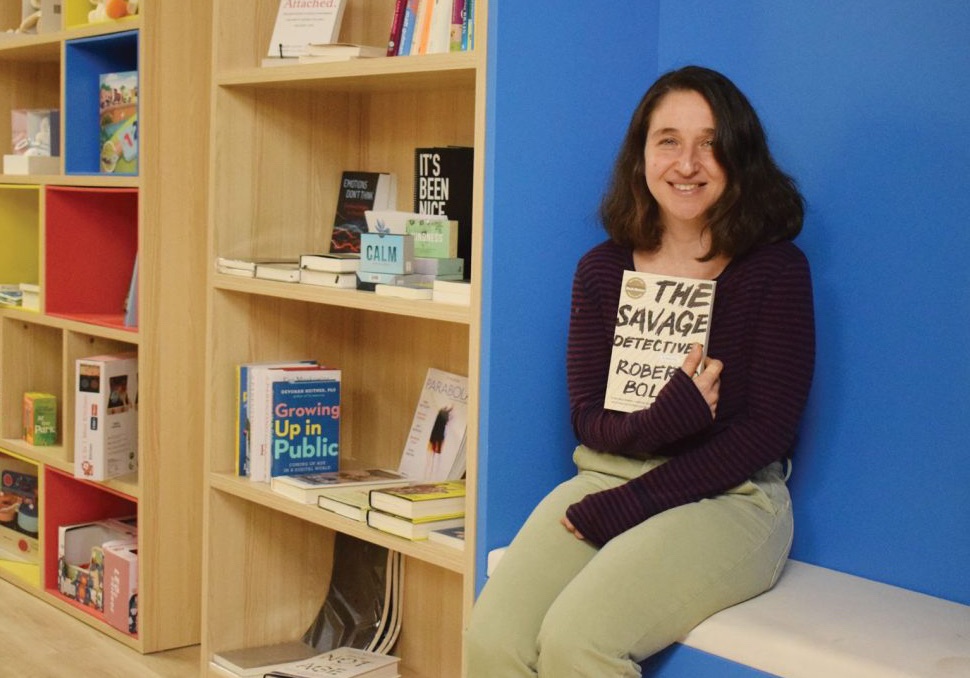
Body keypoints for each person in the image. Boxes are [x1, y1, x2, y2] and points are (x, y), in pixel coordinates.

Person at [464, 65, 815, 677]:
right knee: (491, 640)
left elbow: (767, 432)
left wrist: (632, 504)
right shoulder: (602, 269)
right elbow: (586, 420)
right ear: (641, 156)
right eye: (669, 141)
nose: (688, 162)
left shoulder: (775, 271)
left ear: (740, 156)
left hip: (732, 498)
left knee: (579, 643)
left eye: (710, 142)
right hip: (607, 477)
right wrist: (662, 422)